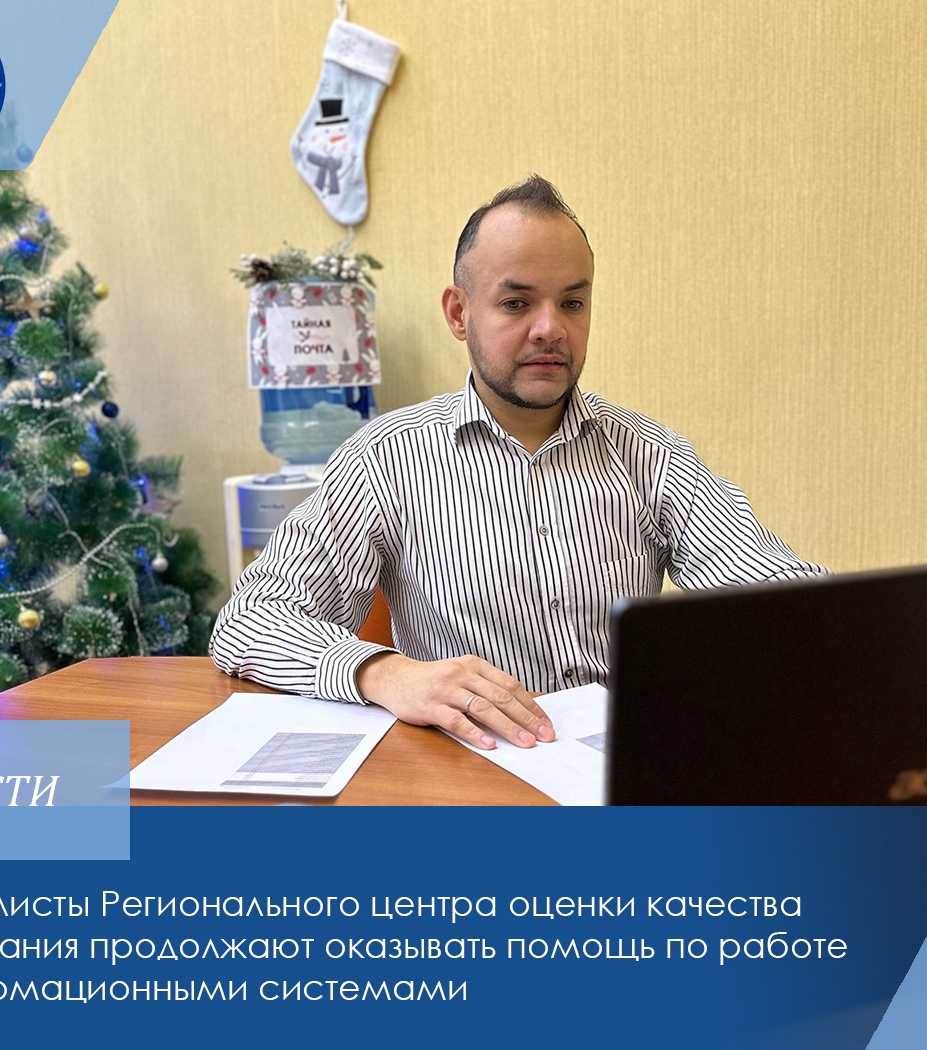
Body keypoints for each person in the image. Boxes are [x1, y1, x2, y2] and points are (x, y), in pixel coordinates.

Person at [210, 176, 826, 751]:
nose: (550, 329)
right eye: (516, 303)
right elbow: (249, 621)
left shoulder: (649, 455)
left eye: (573, 303)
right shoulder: (386, 458)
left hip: (611, 776)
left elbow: (772, 593)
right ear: (459, 313)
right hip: (464, 773)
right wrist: (385, 671)